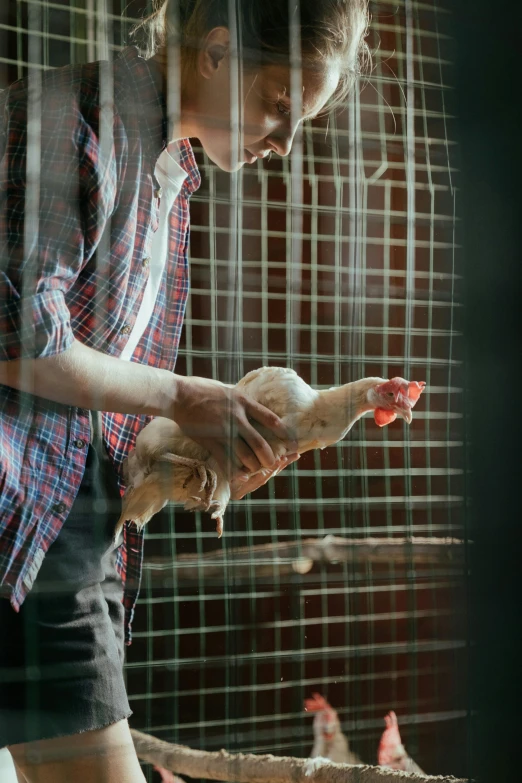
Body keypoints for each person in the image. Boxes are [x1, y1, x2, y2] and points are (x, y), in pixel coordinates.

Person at [0, 1, 370, 780]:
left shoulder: (175, 169)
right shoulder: (75, 122)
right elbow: (22, 337)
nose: (286, 141)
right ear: (216, 54)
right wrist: (184, 398)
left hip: (69, 521)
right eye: (277, 105)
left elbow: (96, 394)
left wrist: (184, 453)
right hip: (21, 513)